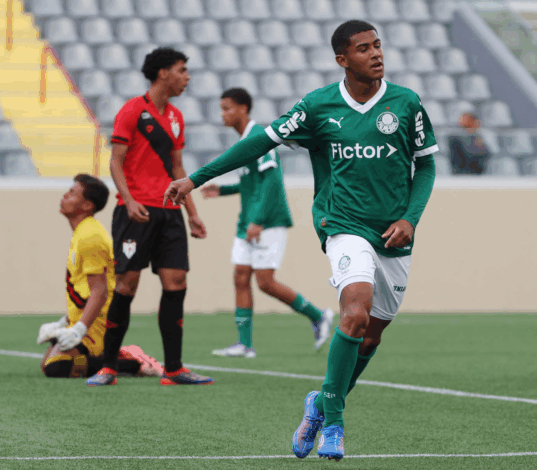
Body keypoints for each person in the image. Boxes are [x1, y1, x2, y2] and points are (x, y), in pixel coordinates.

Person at [162, 20, 438, 461]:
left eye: (378, 46)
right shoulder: (317, 107)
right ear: (342, 60)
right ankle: (334, 422)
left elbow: (424, 167)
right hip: (343, 224)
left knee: (371, 337)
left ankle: (320, 401)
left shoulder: (406, 103)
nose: (376, 54)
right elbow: (257, 143)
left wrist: (410, 217)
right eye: (364, 48)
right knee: (354, 312)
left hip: (395, 233)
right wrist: (195, 178)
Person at [86, 47, 213, 387]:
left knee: (177, 283)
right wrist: (128, 200)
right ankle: (108, 367)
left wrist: (192, 213)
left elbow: (177, 168)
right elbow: (115, 161)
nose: (187, 77)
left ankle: (173, 369)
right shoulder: (132, 111)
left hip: (170, 213)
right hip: (136, 212)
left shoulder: (176, 117)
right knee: (127, 285)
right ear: (162, 73)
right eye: (182, 70)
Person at [200, 88, 335, 357]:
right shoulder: (244, 140)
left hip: (268, 221)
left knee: (264, 282)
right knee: (240, 277)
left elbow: (272, 182)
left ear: (243, 109)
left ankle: (318, 315)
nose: (222, 114)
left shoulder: (259, 138)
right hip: (248, 220)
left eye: (226, 108)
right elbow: (253, 181)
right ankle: (244, 344)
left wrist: (258, 220)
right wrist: (224, 191)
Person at [37, 174, 163, 379]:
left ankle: (132, 362)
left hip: (97, 322)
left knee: (57, 367)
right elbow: (82, 289)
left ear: (87, 205)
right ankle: (111, 355)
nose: (64, 196)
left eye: (72, 193)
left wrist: (79, 329)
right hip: (85, 318)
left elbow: (99, 290)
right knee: (46, 364)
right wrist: (62, 323)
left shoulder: (90, 236)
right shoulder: (82, 232)